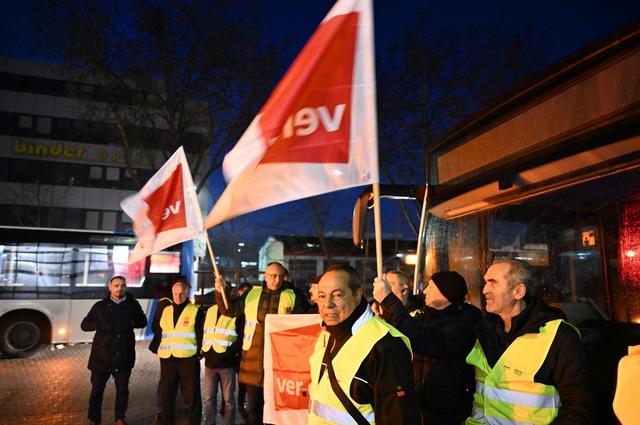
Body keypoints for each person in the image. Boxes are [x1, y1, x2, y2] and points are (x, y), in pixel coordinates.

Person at [466, 258, 596, 424]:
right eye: (485, 282)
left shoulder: (558, 336)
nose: (484, 290)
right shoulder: (484, 331)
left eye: (493, 282)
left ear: (519, 292)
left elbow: (581, 406)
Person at [309, 264, 421, 425]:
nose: (328, 303)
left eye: (338, 295)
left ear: (357, 294)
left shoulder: (386, 346)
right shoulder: (327, 335)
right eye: (322, 296)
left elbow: (399, 417)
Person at [373, 270, 482, 424]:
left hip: (447, 411)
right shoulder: (424, 317)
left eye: (431, 286)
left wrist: (389, 300)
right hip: (420, 406)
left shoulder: (463, 322)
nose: (425, 290)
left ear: (446, 292)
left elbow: (426, 340)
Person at [214, 261, 306, 425]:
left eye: (279, 276)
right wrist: (221, 291)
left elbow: (304, 325)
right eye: (272, 276)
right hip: (253, 366)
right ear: (265, 276)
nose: (276, 280)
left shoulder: (292, 296)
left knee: (276, 413)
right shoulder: (252, 295)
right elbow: (229, 310)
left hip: (280, 367)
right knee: (254, 412)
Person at [81, 275, 147, 425]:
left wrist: (132, 322)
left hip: (124, 356)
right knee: (97, 391)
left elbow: (143, 321)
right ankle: (94, 419)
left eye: (122, 285)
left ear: (126, 287)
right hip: (101, 357)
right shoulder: (99, 306)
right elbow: (84, 325)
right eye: (116, 285)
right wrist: (97, 324)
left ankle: (120, 417)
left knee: (122, 391)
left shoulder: (133, 305)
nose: (120, 288)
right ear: (110, 288)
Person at [157, 277, 204, 425]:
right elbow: (160, 332)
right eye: (175, 293)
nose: (178, 296)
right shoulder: (166, 310)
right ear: (172, 293)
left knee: (192, 396)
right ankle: (166, 421)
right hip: (168, 359)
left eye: (181, 293)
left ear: (187, 293)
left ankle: (193, 422)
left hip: (188, 360)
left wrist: (198, 355)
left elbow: (201, 334)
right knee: (166, 395)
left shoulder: (196, 311)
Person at [202, 290, 244, 425]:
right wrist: (203, 351)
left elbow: (241, 337)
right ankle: (210, 423)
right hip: (210, 362)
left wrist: (230, 352)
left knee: (229, 400)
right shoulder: (210, 311)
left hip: (227, 363)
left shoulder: (237, 313)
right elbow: (204, 332)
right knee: (209, 399)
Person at [149, 285, 174, 424]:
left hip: (166, 348)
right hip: (168, 349)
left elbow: (154, 326)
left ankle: (162, 411)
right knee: (166, 380)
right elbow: (157, 326)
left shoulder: (162, 304)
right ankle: (162, 411)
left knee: (165, 379)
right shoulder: (166, 304)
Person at [235, 281, 252, 422]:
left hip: (250, 354)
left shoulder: (253, 310)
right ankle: (241, 405)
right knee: (241, 384)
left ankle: (248, 410)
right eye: (243, 292)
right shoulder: (238, 312)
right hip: (238, 354)